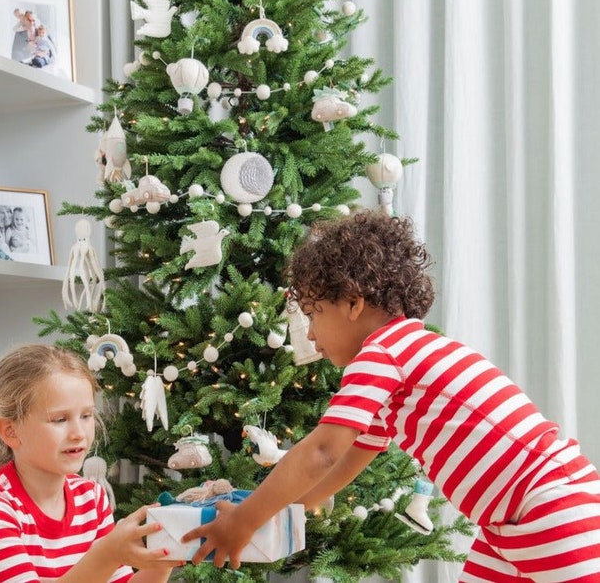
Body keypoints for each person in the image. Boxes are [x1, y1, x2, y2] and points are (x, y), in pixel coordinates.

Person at [182, 211, 600, 581]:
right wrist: (266, 506)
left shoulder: (382, 354)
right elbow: (342, 468)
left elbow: (322, 452)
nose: (309, 334)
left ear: (352, 303)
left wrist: (244, 523)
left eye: (313, 316)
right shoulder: (403, 365)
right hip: (509, 519)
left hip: (548, 507)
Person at [0, 343, 183, 583]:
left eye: (87, 415)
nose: (79, 432)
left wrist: (164, 556)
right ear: (11, 432)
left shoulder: (90, 497)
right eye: (60, 419)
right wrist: (108, 554)